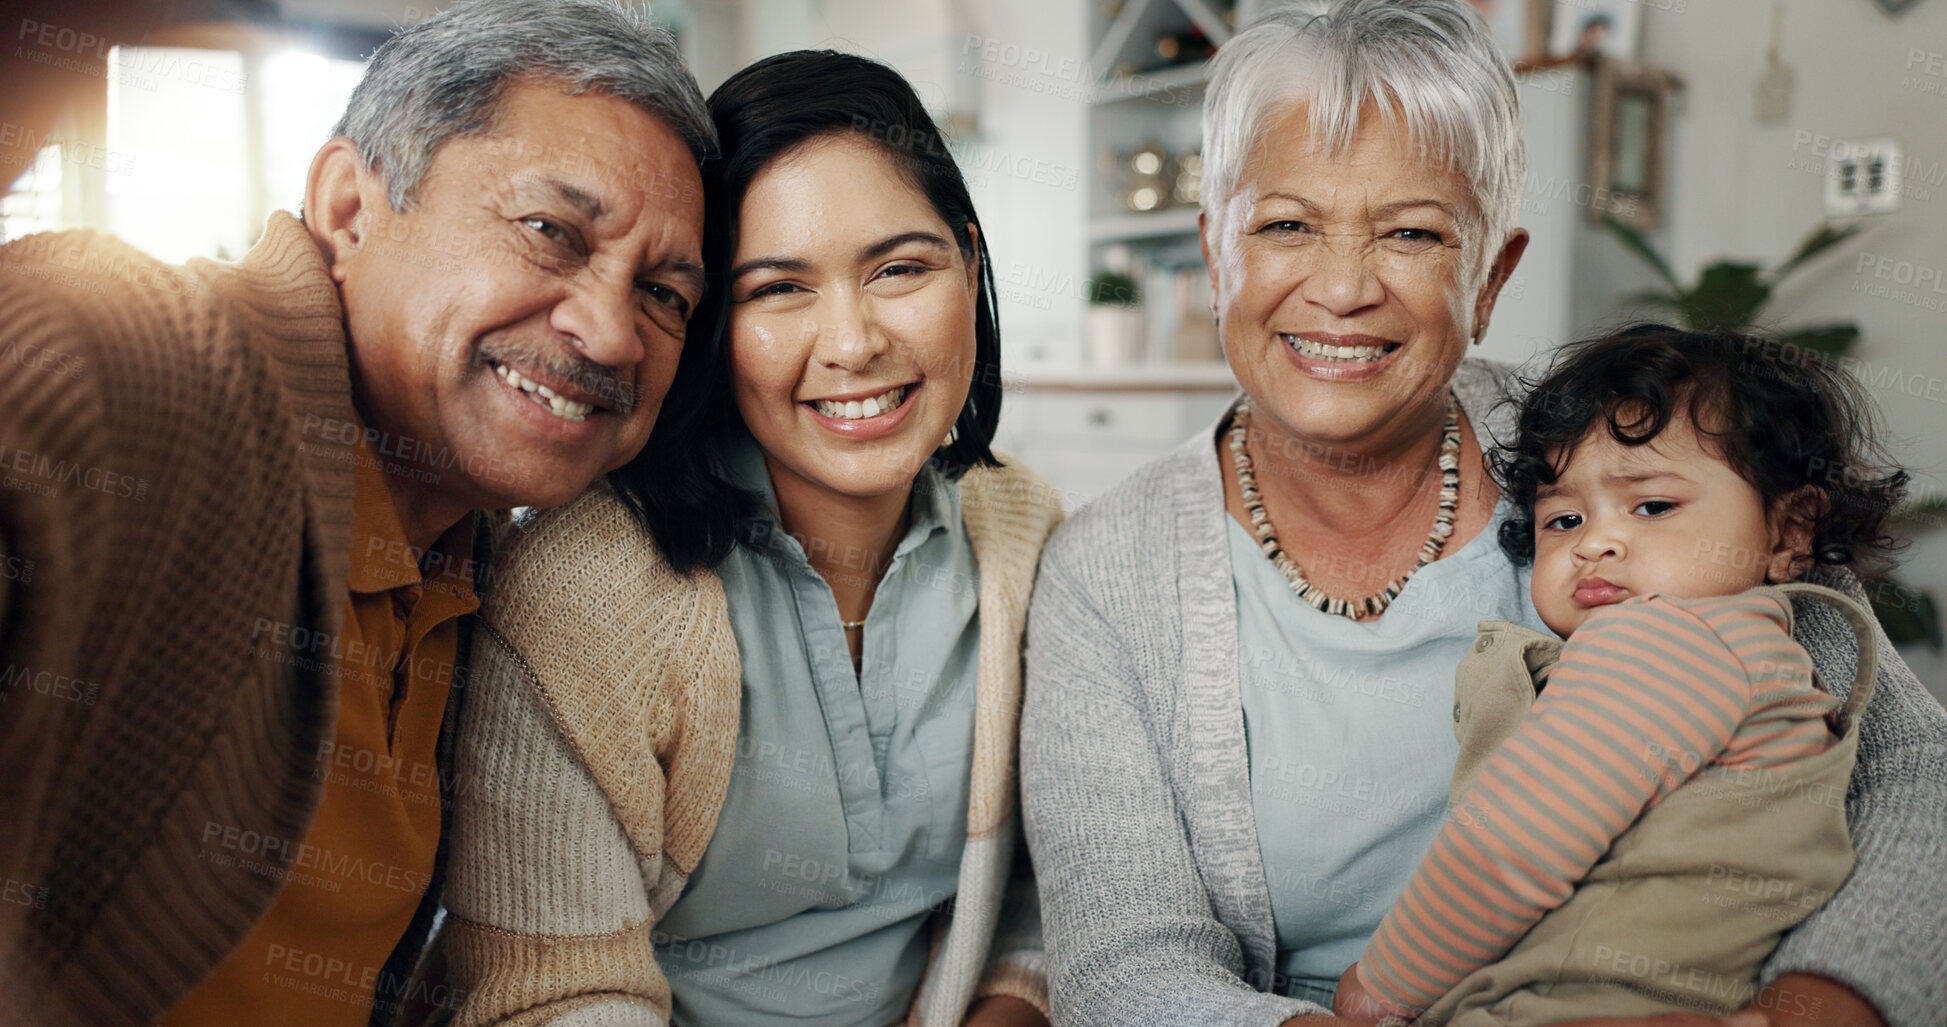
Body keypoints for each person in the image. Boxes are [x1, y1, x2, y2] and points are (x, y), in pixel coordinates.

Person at [1018, 2, 1947, 1026]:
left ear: (1491, 277)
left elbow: (1913, 772)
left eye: (1413, 232)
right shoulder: (1105, 570)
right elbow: (1126, 964)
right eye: (1286, 225)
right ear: (1213, 257)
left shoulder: (1639, 445)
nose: (1341, 286)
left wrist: (1805, 1014)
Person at [0, 2, 711, 1024]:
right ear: (347, 209)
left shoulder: (484, 563)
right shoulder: (160, 368)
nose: (609, 333)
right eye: (551, 231)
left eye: (662, 294)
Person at [439, 51, 1061, 1027]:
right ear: (707, 321)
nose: (853, 343)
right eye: (777, 289)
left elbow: (1046, 877)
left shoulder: (1020, 527)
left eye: (900, 268)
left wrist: (1007, 1006)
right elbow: (548, 994)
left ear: (970, 265)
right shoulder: (580, 590)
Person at [1334, 325, 1906, 1024]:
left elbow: (1513, 840)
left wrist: (1384, 981)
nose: (1593, 543)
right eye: (1563, 518)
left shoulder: (1660, 641)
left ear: (1789, 533)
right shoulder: (1750, 650)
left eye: (1653, 506)